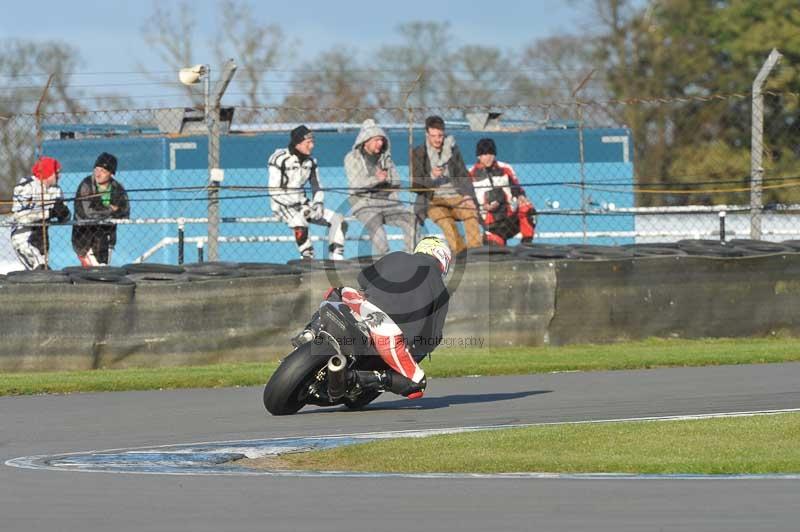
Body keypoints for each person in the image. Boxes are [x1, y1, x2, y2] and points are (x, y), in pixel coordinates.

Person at [332, 236, 451, 399]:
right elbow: (433, 337)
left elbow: (363, 278)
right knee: (417, 384)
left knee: (337, 293)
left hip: (361, 309)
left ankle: (310, 334)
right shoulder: (442, 292)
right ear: (442, 258)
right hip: (388, 335)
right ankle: (354, 378)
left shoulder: (397, 256)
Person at [268, 125, 346, 260]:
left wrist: (318, 203)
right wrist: (298, 204)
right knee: (300, 220)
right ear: (297, 143)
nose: (312, 146)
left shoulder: (311, 162)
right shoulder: (279, 158)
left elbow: (317, 186)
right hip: (282, 204)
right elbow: (274, 190)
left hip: (303, 203)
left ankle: (336, 257)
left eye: (313, 142)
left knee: (338, 219)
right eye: (308, 143)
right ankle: (307, 257)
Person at [410, 115, 481, 255]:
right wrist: (432, 176)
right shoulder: (418, 153)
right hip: (432, 199)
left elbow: (463, 174)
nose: (437, 139)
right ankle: (459, 254)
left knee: (470, 214)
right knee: (447, 222)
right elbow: (416, 184)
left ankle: (475, 254)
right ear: (427, 134)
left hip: (455, 196)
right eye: (434, 136)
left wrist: (467, 196)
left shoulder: (453, 150)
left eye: (440, 135)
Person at [344, 118, 417, 255]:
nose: (380, 143)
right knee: (377, 229)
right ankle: (382, 262)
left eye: (382, 140)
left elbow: (396, 180)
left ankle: (410, 256)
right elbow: (356, 185)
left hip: (389, 202)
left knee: (411, 220)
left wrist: (386, 177)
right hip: (365, 204)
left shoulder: (385, 157)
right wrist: (376, 179)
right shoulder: (352, 158)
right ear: (366, 141)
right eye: (376, 140)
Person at [468, 138, 536, 246]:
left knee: (528, 208)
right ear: (478, 156)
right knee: (497, 252)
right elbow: (468, 201)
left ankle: (526, 245)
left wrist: (521, 197)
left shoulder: (505, 168)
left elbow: (517, 189)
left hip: (511, 218)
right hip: (492, 224)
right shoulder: (470, 175)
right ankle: (494, 239)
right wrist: (483, 207)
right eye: (484, 154)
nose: (488, 157)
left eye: (491, 153)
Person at [11, 156, 70, 270]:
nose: (60, 176)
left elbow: (66, 216)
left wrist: (63, 213)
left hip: (41, 237)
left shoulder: (56, 190)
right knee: (40, 269)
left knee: (41, 273)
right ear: (48, 172)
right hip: (23, 237)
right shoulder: (25, 187)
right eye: (56, 173)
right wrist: (49, 213)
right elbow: (20, 216)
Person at [71, 152, 130, 267]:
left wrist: (101, 210)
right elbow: (87, 213)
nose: (98, 174)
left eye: (103, 171)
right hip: (85, 240)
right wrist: (110, 210)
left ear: (111, 174)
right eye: (96, 169)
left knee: (104, 270)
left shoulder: (117, 188)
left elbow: (125, 212)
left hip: (107, 238)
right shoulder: (86, 185)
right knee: (95, 271)